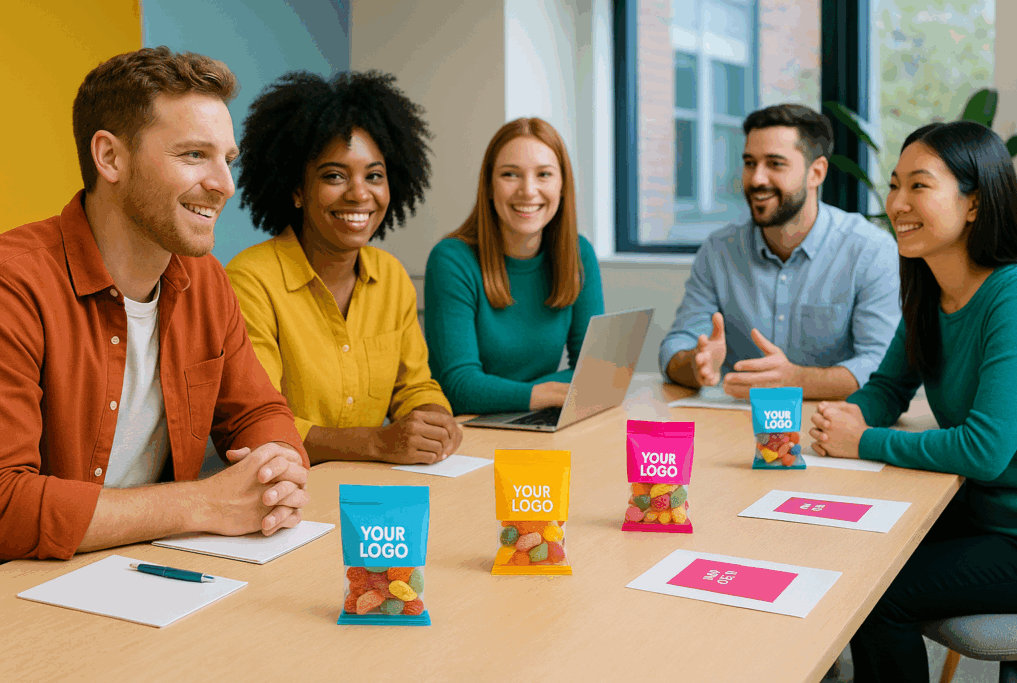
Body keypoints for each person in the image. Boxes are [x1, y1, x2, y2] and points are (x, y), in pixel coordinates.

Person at [0, 47, 310, 562]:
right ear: (110, 157)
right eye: (193, 155)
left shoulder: (205, 281)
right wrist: (202, 504)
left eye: (227, 159)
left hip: (145, 572)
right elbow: (5, 503)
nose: (224, 185)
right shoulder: (15, 285)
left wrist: (278, 476)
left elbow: (261, 412)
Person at [809, 121, 1017, 683]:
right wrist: (853, 413)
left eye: (919, 186)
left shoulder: (1014, 296)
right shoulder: (931, 289)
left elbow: (985, 451)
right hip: (983, 515)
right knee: (836, 550)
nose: (897, 204)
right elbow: (887, 387)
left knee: (874, 596)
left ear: (974, 204)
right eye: (894, 184)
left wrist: (863, 441)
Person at [227, 71, 461, 466]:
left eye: (374, 176)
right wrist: (379, 444)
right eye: (334, 176)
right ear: (298, 190)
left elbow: (416, 387)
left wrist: (434, 422)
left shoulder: (391, 277)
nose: (358, 194)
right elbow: (259, 425)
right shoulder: (250, 281)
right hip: (281, 498)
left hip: (373, 491)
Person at [660, 104, 901, 400]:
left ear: (816, 173)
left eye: (775, 164)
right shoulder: (719, 250)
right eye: (750, 163)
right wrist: (696, 365)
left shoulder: (869, 250)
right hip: (737, 423)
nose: (757, 179)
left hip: (828, 426)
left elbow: (883, 367)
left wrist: (795, 380)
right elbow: (676, 346)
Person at [423, 118, 604, 415]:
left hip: (535, 418)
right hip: (470, 429)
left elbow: (594, 371)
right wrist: (542, 393)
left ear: (562, 186)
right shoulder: (452, 260)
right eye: (510, 175)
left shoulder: (578, 253)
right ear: (490, 187)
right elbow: (458, 386)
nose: (528, 190)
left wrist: (520, 393)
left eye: (544, 174)